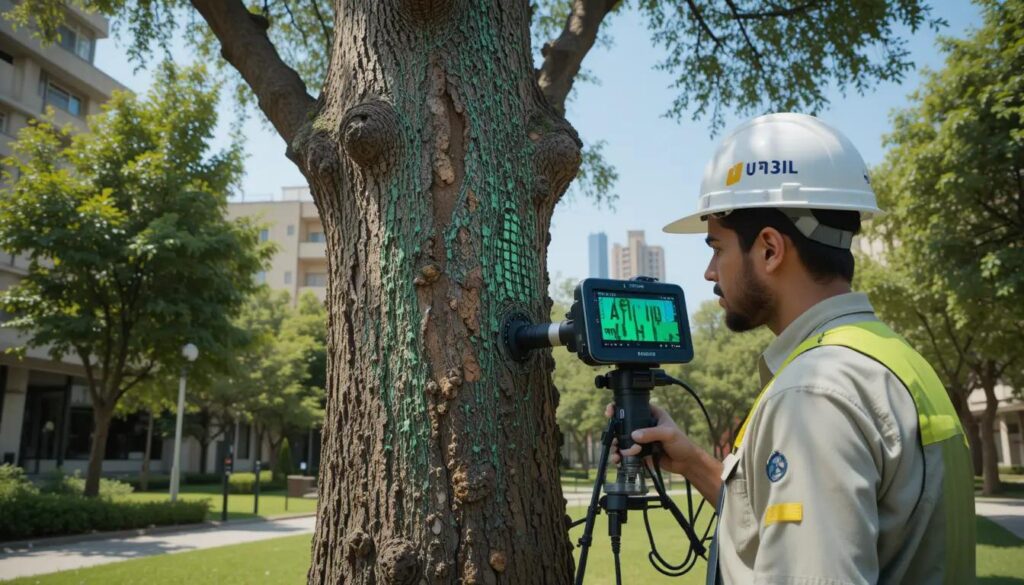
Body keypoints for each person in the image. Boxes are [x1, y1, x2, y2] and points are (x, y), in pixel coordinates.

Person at [612, 113, 976, 584]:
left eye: (716, 248)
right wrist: (695, 464)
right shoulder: (892, 358)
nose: (708, 272)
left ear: (769, 249)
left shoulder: (814, 393)